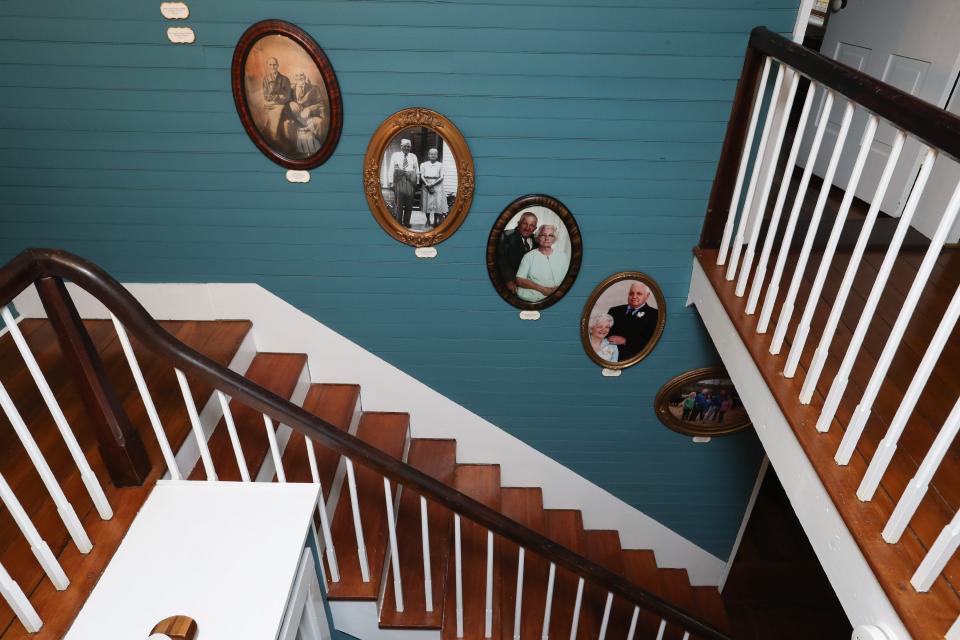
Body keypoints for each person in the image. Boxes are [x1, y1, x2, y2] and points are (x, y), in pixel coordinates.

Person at [515, 225, 569, 302]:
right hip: (535, 296)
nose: (547, 238)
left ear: (554, 239)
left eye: (551, 235)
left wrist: (559, 289)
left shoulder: (563, 256)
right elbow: (519, 279)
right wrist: (543, 289)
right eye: (543, 235)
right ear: (537, 238)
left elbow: (569, 278)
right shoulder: (529, 256)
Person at [607, 281, 660, 361]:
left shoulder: (655, 314)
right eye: (631, 293)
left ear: (647, 296)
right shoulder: (614, 311)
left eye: (639, 293)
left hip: (634, 358)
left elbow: (651, 342)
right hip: (607, 354)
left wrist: (625, 341)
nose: (634, 296)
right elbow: (604, 333)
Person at [285, 71, 327, 155]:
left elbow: (321, 104)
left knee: (319, 122)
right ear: (294, 78)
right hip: (295, 117)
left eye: (301, 75)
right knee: (286, 124)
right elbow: (284, 102)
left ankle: (319, 151)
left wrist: (309, 109)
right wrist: (290, 103)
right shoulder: (290, 89)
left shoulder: (314, 88)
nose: (299, 77)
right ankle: (294, 152)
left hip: (311, 116)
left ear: (305, 76)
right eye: (297, 75)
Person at [497, 212, 538, 293]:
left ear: (535, 228)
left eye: (532, 225)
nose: (528, 228)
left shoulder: (537, 240)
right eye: (525, 223)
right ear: (518, 223)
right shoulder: (505, 236)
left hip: (530, 284)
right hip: (511, 283)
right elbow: (502, 261)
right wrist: (509, 280)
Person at [260, 57, 293, 148]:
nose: (272, 66)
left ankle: (275, 139)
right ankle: (267, 138)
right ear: (267, 66)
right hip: (271, 104)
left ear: (277, 65)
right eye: (270, 65)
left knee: (278, 111)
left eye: (274, 64)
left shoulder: (285, 79)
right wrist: (277, 96)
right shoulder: (266, 79)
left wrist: (277, 98)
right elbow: (266, 96)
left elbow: (288, 95)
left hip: (283, 105)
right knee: (262, 112)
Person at [387, 139, 419, 227]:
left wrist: (417, 182)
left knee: (409, 202)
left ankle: (407, 222)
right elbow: (391, 168)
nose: (406, 148)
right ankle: (398, 222)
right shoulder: (395, 155)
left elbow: (417, 169)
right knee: (399, 202)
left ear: (410, 147)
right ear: (401, 146)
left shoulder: (413, 156)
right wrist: (390, 181)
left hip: (410, 180)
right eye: (404, 146)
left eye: (408, 146)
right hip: (399, 179)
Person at [419, 148, 448, 227]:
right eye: (431, 154)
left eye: (434, 154)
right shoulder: (423, 164)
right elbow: (421, 176)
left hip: (437, 185)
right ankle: (428, 220)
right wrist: (427, 184)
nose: (433, 155)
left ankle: (435, 221)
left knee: (437, 203)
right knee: (426, 203)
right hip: (426, 184)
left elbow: (441, 177)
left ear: (437, 155)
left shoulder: (440, 165)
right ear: (428, 155)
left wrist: (433, 184)